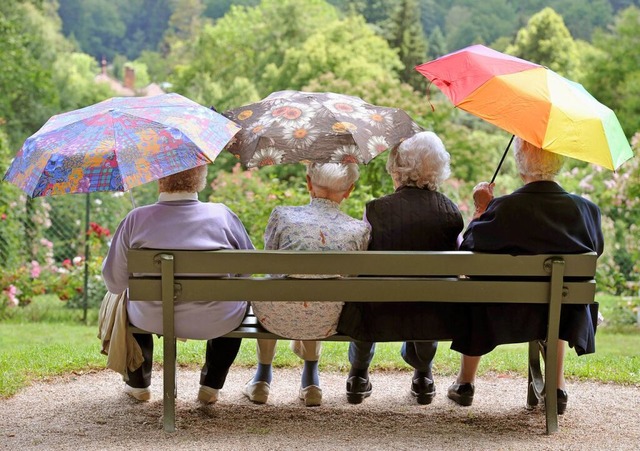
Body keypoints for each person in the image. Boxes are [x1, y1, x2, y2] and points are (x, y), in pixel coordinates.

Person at [447, 137, 604, 415]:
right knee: (558, 292)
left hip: (500, 311)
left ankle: (466, 383)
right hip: (562, 313)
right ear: (559, 163)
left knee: (477, 290)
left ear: (520, 167)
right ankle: (557, 387)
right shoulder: (587, 211)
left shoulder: (504, 209)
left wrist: (482, 209)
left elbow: (468, 252)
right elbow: (596, 252)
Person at [102, 164, 254, 404]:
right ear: (200, 179)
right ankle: (211, 385)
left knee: (120, 298)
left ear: (159, 180)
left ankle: (138, 383)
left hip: (152, 316)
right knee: (234, 296)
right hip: (217, 320)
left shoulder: (136, 218)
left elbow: (115, 283)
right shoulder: (222, 214)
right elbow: (247, 272)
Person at [339, 131, 464, 405]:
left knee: (363, 293)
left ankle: (358, 374)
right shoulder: (451, 213)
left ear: (398, 168)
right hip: (431, 315)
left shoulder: (376, 210)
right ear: (439, 168)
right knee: (429, 295)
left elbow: (360, 258)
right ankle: (423, 375)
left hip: (379, 311)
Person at [243, 162, 370, 407]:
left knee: (275, 288)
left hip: (275, 316)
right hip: (328, 321)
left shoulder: (283, 215)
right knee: (321, 295)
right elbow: (352, 279)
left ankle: (261, 379)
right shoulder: (359, 230)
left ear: (309, 183)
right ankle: (311, 381)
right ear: (349, 190)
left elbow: (272, 266)